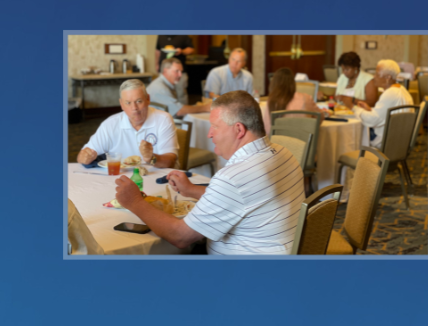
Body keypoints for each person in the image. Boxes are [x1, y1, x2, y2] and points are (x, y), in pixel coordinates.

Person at [113, 91, 306, 255]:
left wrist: (135, 202)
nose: (209, 134)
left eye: (215, 126)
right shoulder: (284, 153)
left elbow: (180, 236)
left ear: (239, 129)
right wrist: (191, 190)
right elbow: (246, 199)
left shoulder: (233, 177)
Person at [76, 79, 179, 169]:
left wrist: (151, 158)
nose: (134, 108)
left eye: (139, 101)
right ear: (121, 104)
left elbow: (170, 162)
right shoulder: (110, 125)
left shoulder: (163, 119)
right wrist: (84, 158)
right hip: (121, 178)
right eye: (128, 103)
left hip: (158, 178)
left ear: (148, 99)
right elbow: (82, 156)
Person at [353, 59, 414, 149]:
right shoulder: (402, 89)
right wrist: (370, 109)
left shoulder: (390, 93)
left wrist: (356, 109)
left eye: (377, 74)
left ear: (388, 77)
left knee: (350, 133)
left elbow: (372, 120)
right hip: (399, 139)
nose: (374, 77)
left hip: (385, 141)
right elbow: (384, 114)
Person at [260, 67, 329, 136]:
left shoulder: (271, 101)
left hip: (278, 142)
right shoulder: (306, 98)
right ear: (293, 83)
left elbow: (267, 129)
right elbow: (320, 117)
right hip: (303, 141)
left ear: (273, 83)